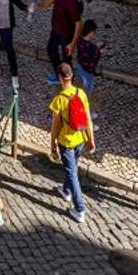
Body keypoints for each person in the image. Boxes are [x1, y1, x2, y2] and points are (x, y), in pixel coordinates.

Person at [47, 62, 94, 223]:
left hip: (65, 142)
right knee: (72, 168)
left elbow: (55, 126)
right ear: (72, 76)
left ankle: (79, 209)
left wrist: (52, 144)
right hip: (80, 139)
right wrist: (91, 140)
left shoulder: (59, 100)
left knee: (72, 173)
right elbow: (88, 119)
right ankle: (66, 190)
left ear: (60, 78)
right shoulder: (81, 93)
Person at [35, 0, 84, 71]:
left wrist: (73, 44)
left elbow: (79, 24)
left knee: (66, 59)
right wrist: (37, 6)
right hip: (56, 29)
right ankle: (58, 72)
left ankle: (67, 82)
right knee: (51, 50)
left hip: (66, 35)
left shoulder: (73, 4)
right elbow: (50, 0)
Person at [72, 19, 105, 94]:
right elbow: (94, 61)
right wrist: (99, 52)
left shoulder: (79, 40)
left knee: (83, 84)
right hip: (88, 71)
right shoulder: (92, 47)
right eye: (94, 32)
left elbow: (86, 50)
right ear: (91, 32)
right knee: (87, 89)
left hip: (80, 66)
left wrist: (95, 47)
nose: (95, 34)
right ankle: (82, 103)